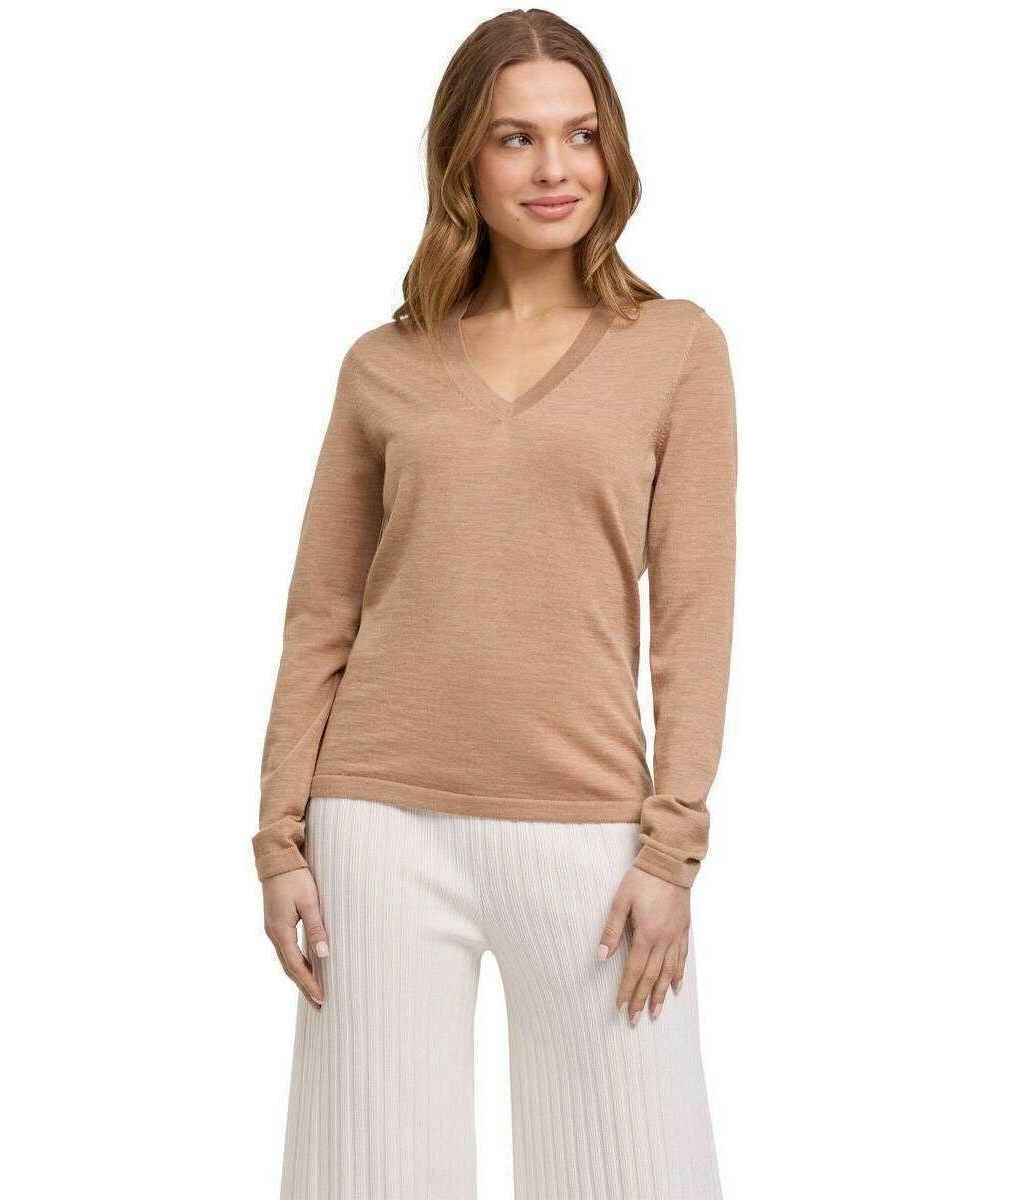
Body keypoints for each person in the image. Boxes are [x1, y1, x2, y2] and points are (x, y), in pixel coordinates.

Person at [254, 10, 737, 1198]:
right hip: (375, 824)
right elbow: (321, 614)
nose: (555, 167)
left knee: (639, 1174)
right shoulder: (384, 364)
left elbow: (694, 618)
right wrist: (280, 842)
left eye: (581, 134)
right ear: (463, 157)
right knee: (370, 1178)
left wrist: (672, 850)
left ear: (612, 151)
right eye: (516, 137)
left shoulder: (675, 348)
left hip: (593, 832)